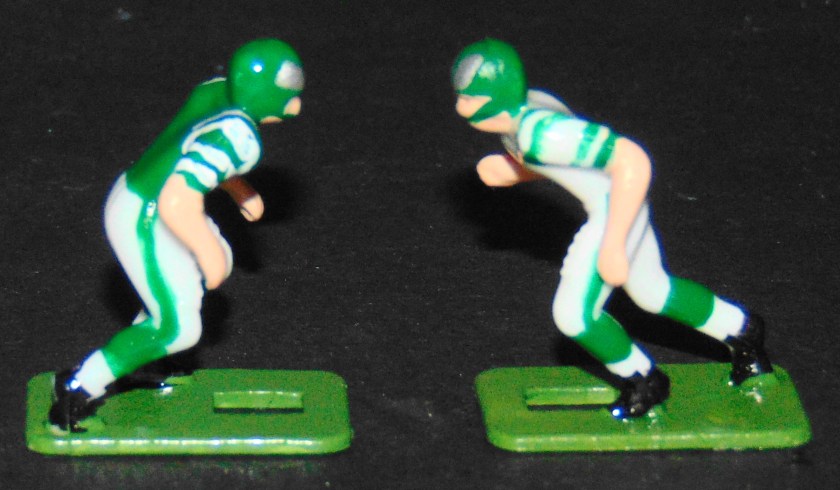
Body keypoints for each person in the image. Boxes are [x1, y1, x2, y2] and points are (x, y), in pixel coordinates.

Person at [451, 38, 773, 419]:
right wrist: (515, 172)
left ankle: (644, 379)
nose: (460, 107)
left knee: (574, 315)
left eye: (469, 98)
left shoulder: (542, 132)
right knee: (653, 292)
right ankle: (743, 330)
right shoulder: (529, 114)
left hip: (613, 210)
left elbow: (633, 161)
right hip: (618, 203)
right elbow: (571, 163)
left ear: (496, 97)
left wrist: (615, 242)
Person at [49, 38, 304, 432]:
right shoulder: (241, 138)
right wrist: (208, 251)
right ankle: (78, 387)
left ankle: (146, 358)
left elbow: (196, 145)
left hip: (136, 189)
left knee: (187, 287)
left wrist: (238, 189)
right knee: (180, 327)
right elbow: (178, 199)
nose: (295, 106)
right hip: (147, 214)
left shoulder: (218, 91)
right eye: (287, 94)